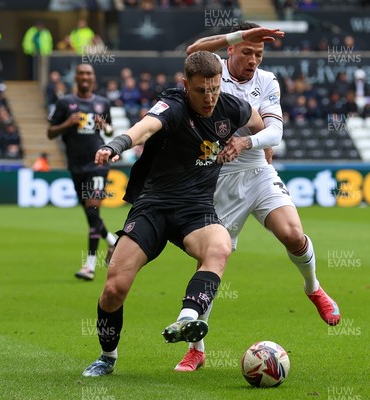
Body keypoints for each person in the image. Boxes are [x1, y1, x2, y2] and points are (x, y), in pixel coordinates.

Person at [81, 50, 266, 377]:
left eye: (214, 89)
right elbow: (145, 127)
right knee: (113, 289)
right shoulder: (174, 105)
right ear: (185, 85)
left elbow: (259, 123)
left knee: (220, 247)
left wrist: (248, 144)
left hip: (195, 209)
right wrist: (116, 145)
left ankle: (187, 317)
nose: (209, 98)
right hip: (153, 205)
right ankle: (107, 356)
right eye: (200, 90)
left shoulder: (230, 107)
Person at [176, 22, 341, 372]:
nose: (253, 60)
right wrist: (237, 36)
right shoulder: (213, 71)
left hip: (257, 172)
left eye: (259, 54)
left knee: (293, 234)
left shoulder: (267, 81)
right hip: (219, 181)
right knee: (211, 261)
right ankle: (196, 348)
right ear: (231, 50)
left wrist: (247, 141)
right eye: (247, 52)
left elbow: (276, 131)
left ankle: (313, 288)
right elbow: (193, 51)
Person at [47, 64, 117, 281]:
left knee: (93, 209)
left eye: (89, 74)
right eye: (82, 73)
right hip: (76, 167)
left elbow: (110, 130)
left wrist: (104, 126)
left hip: (97, 163)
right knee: (91, 214)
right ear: (76, 77)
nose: (85, 77)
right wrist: (68, 123)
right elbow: (50, 132)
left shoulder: (102, 102)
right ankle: (114, 242)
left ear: (93, 78)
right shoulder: (65, 103)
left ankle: (89, 266)